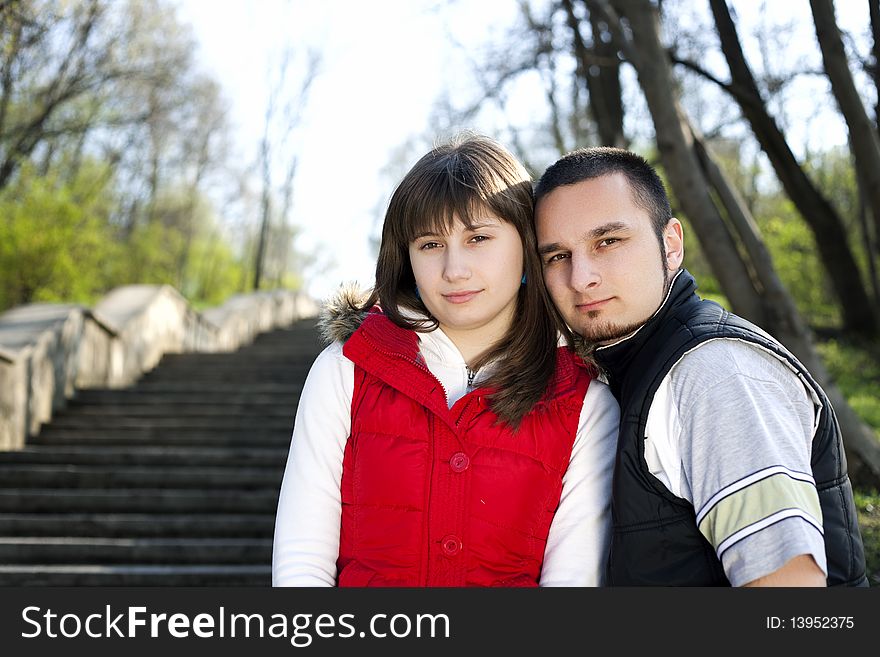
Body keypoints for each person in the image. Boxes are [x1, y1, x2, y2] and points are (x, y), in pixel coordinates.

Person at [272, 134, 619, 587]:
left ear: (526, 246)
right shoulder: (345, 369)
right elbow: (302, 561)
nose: (454, 269)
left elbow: (573, 582)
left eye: (478, 238)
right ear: (407, 258)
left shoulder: (585, 403)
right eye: (431, 244)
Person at [533, 146, 868, 587]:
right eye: (558, 256)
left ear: (670, 246)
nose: (581, 277)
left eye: (608, 241)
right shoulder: (627, 366)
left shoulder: (715, 374)